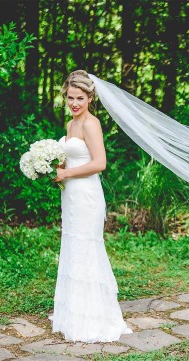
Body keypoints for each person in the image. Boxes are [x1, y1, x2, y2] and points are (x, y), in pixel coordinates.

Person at [51, 70, 132, 342]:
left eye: (80, 98)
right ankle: (74, 314)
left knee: (86, 248)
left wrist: (67, 174)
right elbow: (72, 158)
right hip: (71, 196)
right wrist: (58, 167)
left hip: (87, 197)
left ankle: (94, 319)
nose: (74, 103)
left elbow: (99, 163)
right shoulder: (71, 124)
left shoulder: (91, 124)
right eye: (71, 97)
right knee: (73, 247)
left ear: (90, 98)